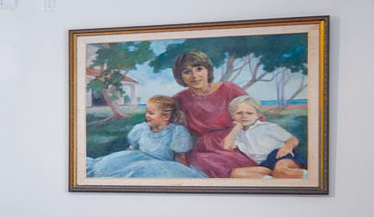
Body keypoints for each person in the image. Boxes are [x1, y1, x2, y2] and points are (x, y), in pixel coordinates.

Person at [168, 49, 257, 178]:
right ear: (180, 76)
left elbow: (256, 118)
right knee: (204, 163)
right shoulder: (179, 99)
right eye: (187, 72)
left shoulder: (230, 89)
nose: (194, 76)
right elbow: (173, 130)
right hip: (203, 150)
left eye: (199, 69)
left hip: (236, 143)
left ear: (207, 70)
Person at [87, 95, 205, 178]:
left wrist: (182, 172)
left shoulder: (176, 132)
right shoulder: (141, 129)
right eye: (147, 112)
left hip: (160, 165)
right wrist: (120, 159)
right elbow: (132, 149)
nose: (147, 115)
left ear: (166, 116)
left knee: (143, 170)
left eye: (151, 113)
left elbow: (180, 157)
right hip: (137, 158)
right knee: (108, 166)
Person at [222, 93, 305, 178]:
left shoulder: (268, 127)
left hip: (280, 155)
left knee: (280, 170)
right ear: (232, 116)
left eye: (249, 113)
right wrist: (237, 128)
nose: (244, 116)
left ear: (257, 115)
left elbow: (293, 139)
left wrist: (287, 147)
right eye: (239, 113)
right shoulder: (236, 133)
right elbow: (227, 146)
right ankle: (270, 180)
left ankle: (307, 176)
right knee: (236, 173)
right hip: (263, 164)